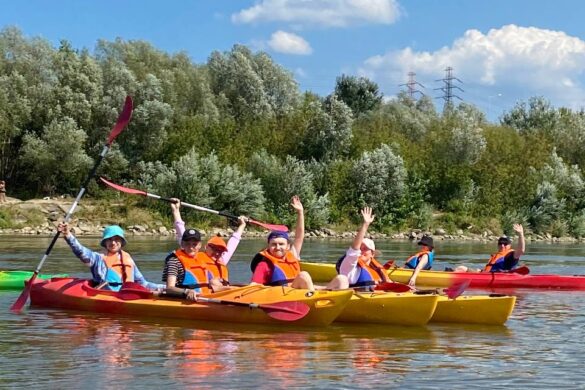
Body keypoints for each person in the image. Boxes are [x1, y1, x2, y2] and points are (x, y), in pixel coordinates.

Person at [250, 195, 348, 291]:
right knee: (303, 275)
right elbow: (254, 285)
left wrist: (300, 213)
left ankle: (340, 302)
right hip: (283, 296)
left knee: (342, 279)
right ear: (268, 246)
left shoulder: (292, 255)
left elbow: (299, 237)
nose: (277, 247)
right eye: (273, 244)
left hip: (302, 291)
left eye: (281, 244)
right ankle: (314, 301)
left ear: (288, 246)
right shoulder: (264, 265)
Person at [162, 199, 247, 300]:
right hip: (193, 298)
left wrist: (242, 225)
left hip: (212, 296)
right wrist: (176, 211)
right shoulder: (198, 256)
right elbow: (182, 233)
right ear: (206, 247)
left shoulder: (220, 259)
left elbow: (233, 243)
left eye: (220, 251)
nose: (217, 253)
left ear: (199, 245)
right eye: (214, 249)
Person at [57, 223, 163, 291]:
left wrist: (163, 288)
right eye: (109, 239)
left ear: (121, 241)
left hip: (127, 295)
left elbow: (142, 283)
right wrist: (68, 235)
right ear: (105, 242)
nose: (113, 243)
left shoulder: (128, 258)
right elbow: (80, 251)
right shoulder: (97, 258)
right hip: (106, 295)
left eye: (116, 239)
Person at [337, 207, 393, 290]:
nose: (360, 251)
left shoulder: (376, 269)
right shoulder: (350, 265)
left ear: (372, 254)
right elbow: (354, 251)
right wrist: (365, 224)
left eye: (365, 248)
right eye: (360, 247)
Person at [454, 224, 525, 273]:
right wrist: (479, 271)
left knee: (461, 268)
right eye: (500, 243)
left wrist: (521, 234)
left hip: (498, 278)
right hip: (485, 274)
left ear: (509, 245)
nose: (502, 245)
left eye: (505, 243)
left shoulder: (510, 256)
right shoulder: (497, 255)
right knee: (460, 268)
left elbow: (521, 250)